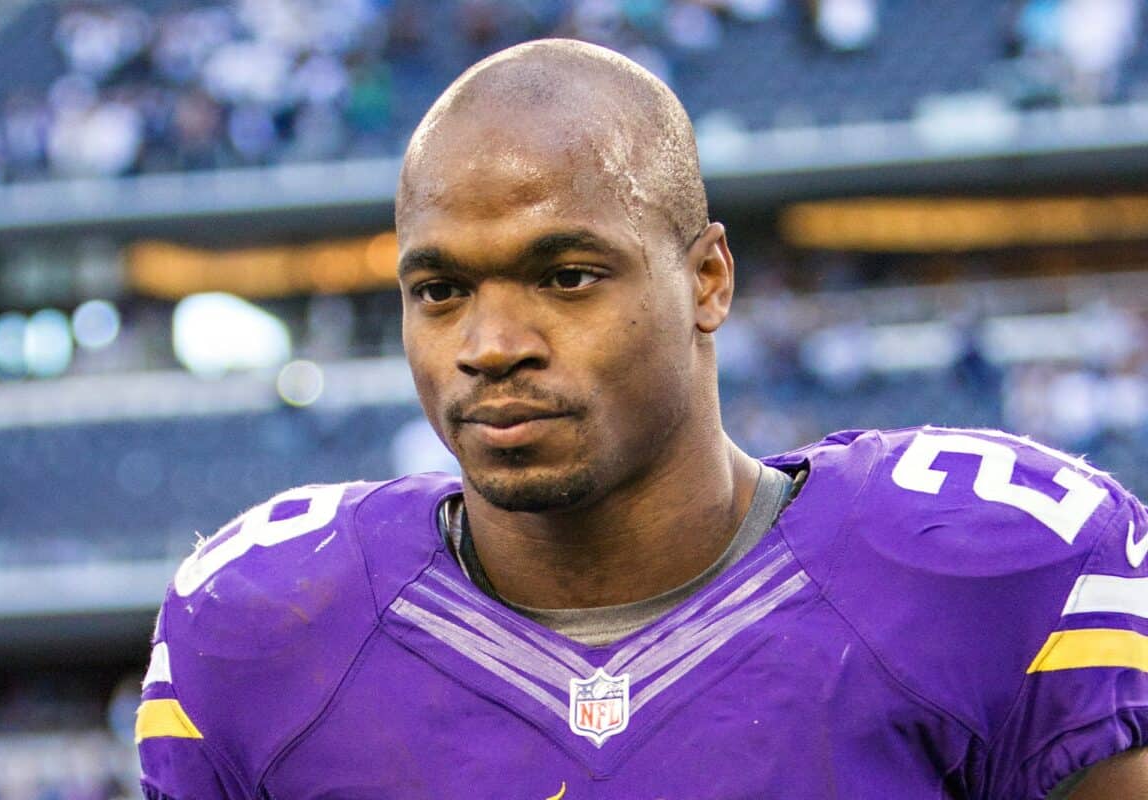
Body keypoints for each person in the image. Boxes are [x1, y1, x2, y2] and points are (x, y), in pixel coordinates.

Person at [136, 39, 1148, 799]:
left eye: (566, 276)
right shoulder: (266, 626)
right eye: (440, 291)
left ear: (708, 279)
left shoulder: (994, 568)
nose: (491, 344)